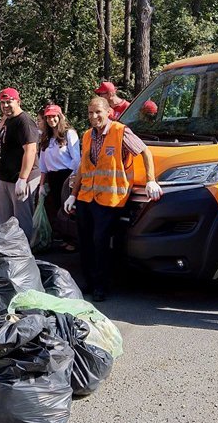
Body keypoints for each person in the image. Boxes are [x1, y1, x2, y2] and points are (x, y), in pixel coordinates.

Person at [64, 96, 162, 302]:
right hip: (86, 197)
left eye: (98, 112)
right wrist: (73, 194)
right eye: (90, 112)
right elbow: (84, 166)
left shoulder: (120, 132)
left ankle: (101, 285)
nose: (94, 116)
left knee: (100, 242)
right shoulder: (88, 135)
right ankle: (90, 282)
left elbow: (145, 152)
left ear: (108, 112)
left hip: (110, 199)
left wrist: (151, 181)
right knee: (85, 241)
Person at [0, 87, 40, 239]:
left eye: (9, 102)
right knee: (5, 223)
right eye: (3, 102)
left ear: (18, 101)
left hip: (20, 179)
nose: (5, 105)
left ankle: (25, 255)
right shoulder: (8, 120)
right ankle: (10, 254)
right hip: (5, 178)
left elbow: (31, 150)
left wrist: (23, 178)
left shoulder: (24, 121)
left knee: (22, 222)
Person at [38, 104, 80, 249]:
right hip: (52, 176)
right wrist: (42, 184)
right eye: (48, 117)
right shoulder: (46, 138)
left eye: (53, 116)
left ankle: (73, 241)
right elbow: (42, 163)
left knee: (68, 209)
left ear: (59, 117)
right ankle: (63, 237)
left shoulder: (69, 134)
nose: (51, 120)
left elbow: (76, 158)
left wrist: (75, 178)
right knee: (56, 208)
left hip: (67, 175)